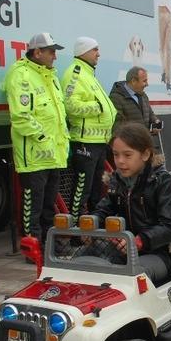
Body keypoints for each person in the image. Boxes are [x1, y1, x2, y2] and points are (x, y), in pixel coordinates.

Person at [91, 122, 171, 284]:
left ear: (145, 155)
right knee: (83, 260)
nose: (120, 161)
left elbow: (170, 226)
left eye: (127, 155)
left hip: (157, 253)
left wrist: (139, 241)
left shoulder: (161, 181)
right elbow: (104, 208)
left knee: (133, 277)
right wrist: (92, 222)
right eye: (115, 155)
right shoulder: (117, 180)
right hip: (123, 248)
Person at [4, 32, 69, 246]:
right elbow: (21, 117)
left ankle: (50, 246)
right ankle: (32, 249)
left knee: (49, 207)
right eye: (51, 51)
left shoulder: (51, 76)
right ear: (37, 52)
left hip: (54, 155)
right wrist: (43, 139)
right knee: (33, 209)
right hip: (34, 158)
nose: (55, 56)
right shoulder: (21, 75)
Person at [61, 37, 117, 217]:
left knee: (96, 190)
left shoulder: (88, 74)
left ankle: (94, 229)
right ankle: (75, 232)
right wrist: (98, 107)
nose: (98, 54)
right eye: (95, 50)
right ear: (83, 52)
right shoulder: (75, 74)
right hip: (85, 143)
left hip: (98, 142)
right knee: (81, 191)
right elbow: (70, 106)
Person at [109, 66, 164, 160]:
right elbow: (116, 127)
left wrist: (156, 122)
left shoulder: (143, 96)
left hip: (144, 145)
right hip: (130, 150)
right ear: (133, 81)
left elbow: (150, 114)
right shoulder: (116, 98)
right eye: (144, 81)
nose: (147, 84)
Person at [157, 0, 171, 94]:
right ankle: (164, 72)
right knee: (162, 47)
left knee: (168, 48)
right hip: (161, 12)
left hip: (169, 13)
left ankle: (168, 79)